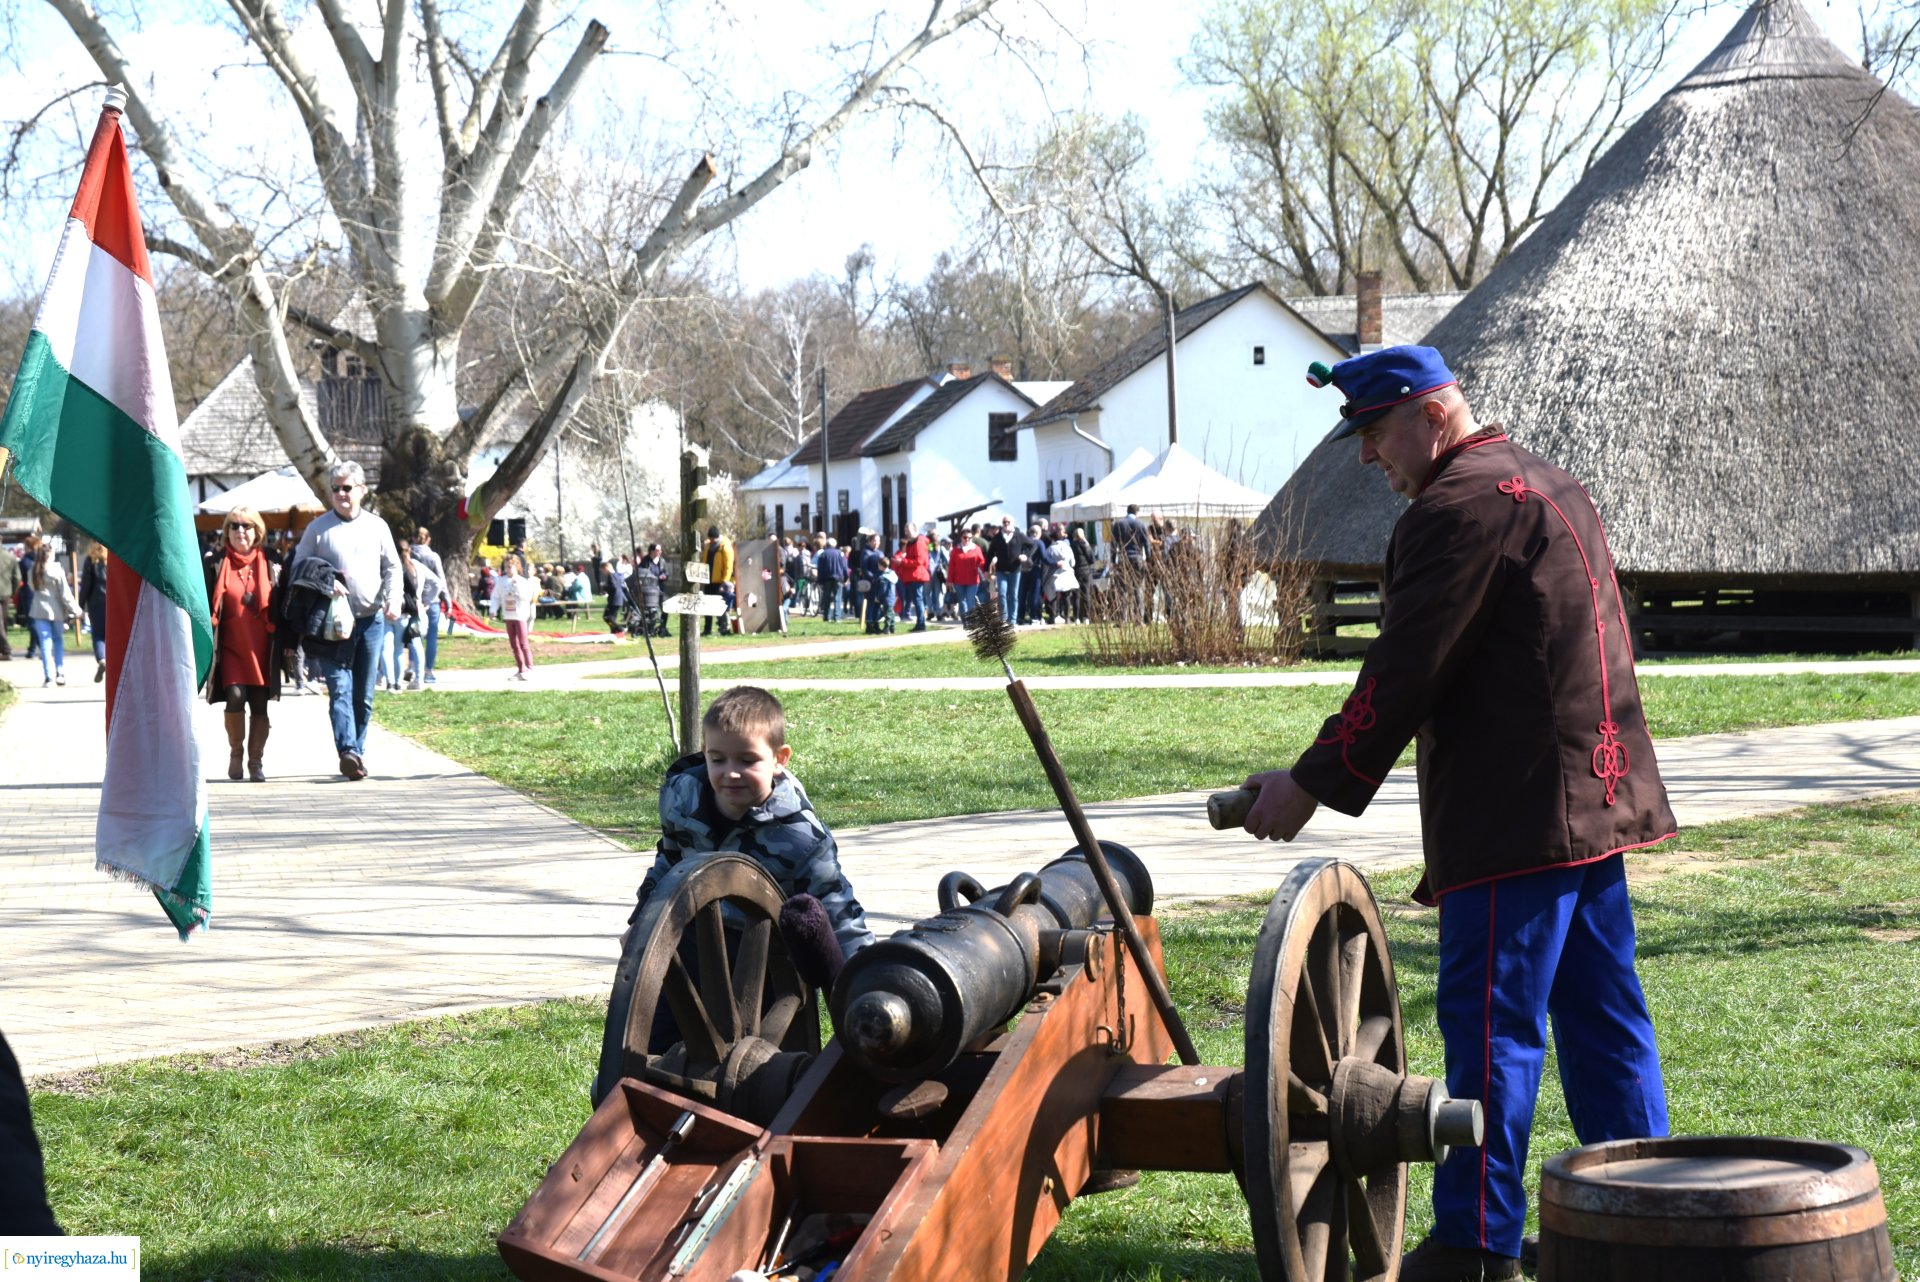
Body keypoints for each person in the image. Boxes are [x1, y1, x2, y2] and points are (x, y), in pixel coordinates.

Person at [1239, 346, 1675, 1282]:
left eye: (1375, 430)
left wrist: (1310, 781)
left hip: (1515, 818)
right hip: (1592, 805)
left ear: (1433, 414)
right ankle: (1644, 1218)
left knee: (1493, 1030)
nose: (1367, 457)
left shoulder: (1459, 507)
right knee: (1606, 1024)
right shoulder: (1551, 483)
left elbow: (1403, 669)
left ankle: (1477, 1241)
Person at [630, 686, 875, 964]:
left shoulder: (803, 837)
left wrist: (865, 973)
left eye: (747, 760)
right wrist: (641, 925)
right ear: (705, 752)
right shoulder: (680, 798)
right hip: (691, 936)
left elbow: (837, 910)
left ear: (779, 759)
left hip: (765, 955)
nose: (731, 773)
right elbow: (669, 862)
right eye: (717, 759)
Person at [292, 460, 401, 781]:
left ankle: (358, 754)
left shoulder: (377, 526)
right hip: (331, 625)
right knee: (339, 689)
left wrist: (393, 599)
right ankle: (348, 751)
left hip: (370, 620)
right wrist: (327, 582)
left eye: (346, 488)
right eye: (335, 488)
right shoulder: (317, 529)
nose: (340, 493)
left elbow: (392, 568)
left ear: (362, 491)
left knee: (363, 696)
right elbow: (299, 566)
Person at [204, 507, 279, 781]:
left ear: (257, 531)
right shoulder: (216, 562)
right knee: (235, 695)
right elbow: (202, 600)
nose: (240, 531)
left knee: (260, 704)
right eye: (233, 526)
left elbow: (282, 602)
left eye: (246, 526)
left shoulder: (271, 561)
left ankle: (255, 762)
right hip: (230, 646)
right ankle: (236, 752)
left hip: (262, 648)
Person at [25, 540, 80, 687]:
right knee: (57, 640)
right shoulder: (57, 570)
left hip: (38, 610)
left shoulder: (33, 570)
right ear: (51, 555)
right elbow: (65, 594)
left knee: (44, 643)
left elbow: (31, 587)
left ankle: (48, 677)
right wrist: (76, 610)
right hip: (56, 611)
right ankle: (60, 673)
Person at [490, 553, 539, 680]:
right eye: (505, 567)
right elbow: (495, 596)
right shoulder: (501, 581)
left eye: (509, 567)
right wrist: (493, 609)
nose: (507, 570)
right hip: (508, 615)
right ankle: (521, 668)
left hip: (520, 615)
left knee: (523, 643)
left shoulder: (523, 581)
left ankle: (530, 668)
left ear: (516, 567)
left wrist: (518, 589)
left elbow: (528, 597)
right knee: (514, 644)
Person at [410, 527, 447, 684]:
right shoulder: (433, 556)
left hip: (413, 601)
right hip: (432, 602)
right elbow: (441, 580)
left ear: (413, 538)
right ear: (428, 540)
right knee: (431, 637)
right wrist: (448, 600)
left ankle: (412, 668)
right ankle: (428, 671)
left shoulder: (408, 555)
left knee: (413, 635)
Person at [984, 516, 1033, 625]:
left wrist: (1025, 555)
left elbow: (1032, 544)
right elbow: (990, 553)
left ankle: (1013, 619)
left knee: (1014, 595)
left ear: (1012, 523)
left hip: (1015, 570)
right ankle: (1005, 619)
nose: (1006, 524)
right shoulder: (997, 537)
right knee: (1001, 593)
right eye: (1004, 522)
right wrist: (986, 569)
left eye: (1008, 522)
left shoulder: (1019, 535)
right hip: (1001, 570)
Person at [1112, 502, 1153, 624]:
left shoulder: (1118, 524)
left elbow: (1113, 544)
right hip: (1137, 557)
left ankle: (1122, 619)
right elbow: (1147, 544)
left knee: (1123, 589)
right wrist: (1149, 559)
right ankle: (1138, 619)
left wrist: (1113, 561)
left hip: (1124, 558)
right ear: (1137, 512)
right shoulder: (1141, 524)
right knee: (1138, 588)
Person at [79, 541, 109, 682]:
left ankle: (102, 659)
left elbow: (85, 585)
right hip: (112, 603)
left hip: (96, 603)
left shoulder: (90, 561)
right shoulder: (112, 561)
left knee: (98, 634)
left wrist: (80, 604)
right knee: (112, 634)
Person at [896, 525, 931, 631]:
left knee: (918, 600)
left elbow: (918, 561)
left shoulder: (919, 543)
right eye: (905, 530)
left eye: (909, 531)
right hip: (912, 575)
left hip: (917, 575)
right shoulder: (912, 542)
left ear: (915, 530)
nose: (906, 533)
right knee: (917, 600)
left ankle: (921, 624)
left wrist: (902, 561)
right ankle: (920, 623)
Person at [947, 528, 985, 617]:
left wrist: (986, 571)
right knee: (962, 601)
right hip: (959, 581)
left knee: (970, 600)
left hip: (973, 580)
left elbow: (982, 562)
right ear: (961, 538)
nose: (967, 539)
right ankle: (965, 621)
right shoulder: (956, 550)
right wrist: (949, 580)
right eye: (965, 537)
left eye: (969, 538)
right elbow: (951, 566)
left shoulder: (976, 548)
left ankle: (972, 620)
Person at [858, 533, 890, 634]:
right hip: (871, 583)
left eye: (878, 540)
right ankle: (869, 625)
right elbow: (864, 568)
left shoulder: (880, 553)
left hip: (879, 583)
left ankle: (876, 624)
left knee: (878, 605)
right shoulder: (865, 552)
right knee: (871, 604)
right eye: (874, 540)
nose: (877, 543)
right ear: (870, 541)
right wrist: (873, 578)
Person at [814, 537, 848, 621]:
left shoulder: (823, 554)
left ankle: (826, 616)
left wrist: (820, 580)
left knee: (827, 598)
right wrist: (846, 578)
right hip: (838, 578)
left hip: (826, 578)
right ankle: (837, 617)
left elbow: (820, 568)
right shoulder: (840, 554)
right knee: (838, 597)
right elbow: (844, 567)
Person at [0, 542, 17, 662]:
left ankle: (6, 650)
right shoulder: (10, 557)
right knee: (3, 622)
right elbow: (17, 577)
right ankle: (4, 650)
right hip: (6, 593)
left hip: (6, 592)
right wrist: (13, 592)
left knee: (1, 623)